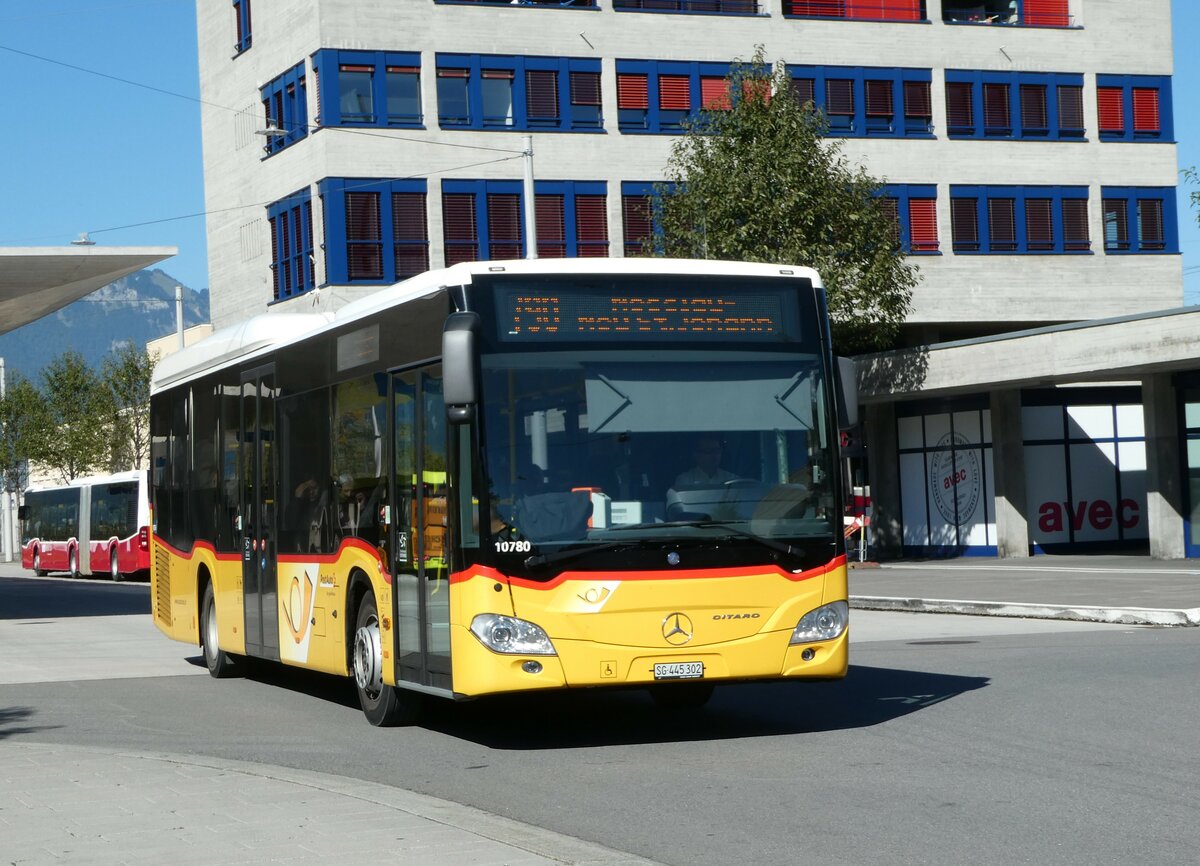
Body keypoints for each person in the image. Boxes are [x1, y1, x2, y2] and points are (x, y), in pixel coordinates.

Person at [672, 436, 738, 491]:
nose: (715, 455)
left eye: (717, 450)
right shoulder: (685, 480)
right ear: (696, 455)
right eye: (709, 451)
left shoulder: (732, 479)